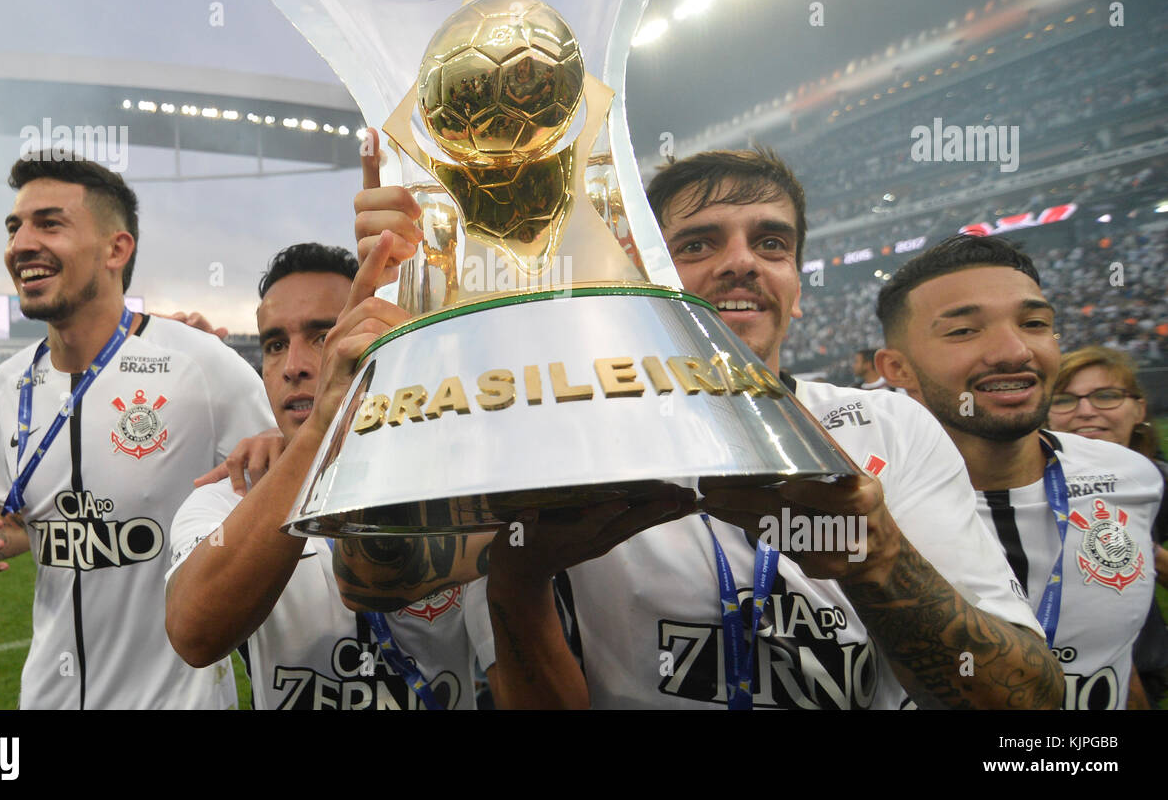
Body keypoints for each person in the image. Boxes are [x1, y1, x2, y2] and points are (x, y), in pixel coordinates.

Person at [352, 140, 1061, 709]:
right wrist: (423, 347)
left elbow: (1029, 702)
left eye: (772, 244)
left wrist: (879, 562)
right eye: (696, 245)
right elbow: (373, 579)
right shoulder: (559, 438)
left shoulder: (888, 428)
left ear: (798, 287)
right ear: (640, 279)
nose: (742, 262)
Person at [0, 152, 275, 709]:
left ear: (117, 249)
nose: (21, 243)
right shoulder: (9, 384)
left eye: (49, 223)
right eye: (14, 226)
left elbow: (290, 484)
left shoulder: (198, 364)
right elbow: (34, 522)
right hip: (46, 697)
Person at [164, 240, 496, 709]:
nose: (293, 367)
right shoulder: (228, 497)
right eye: (275, 345)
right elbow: (194, 634)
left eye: (323, 336)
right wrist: (320, 433)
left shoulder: (451, 488)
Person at [874, 236, 1163, 709]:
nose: (1013, 351)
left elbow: (1114, 655)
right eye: (964, 331)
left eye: (1034, 324)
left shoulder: (1130, 478)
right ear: (898, 368)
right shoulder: (865, 517)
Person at [1045, 345, 1168, 707]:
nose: (1086, 411)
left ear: (1139, 409)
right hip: (1040, 676)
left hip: (1139, 669)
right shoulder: (1019, 486)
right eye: (1065, 399)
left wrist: (1148, 552)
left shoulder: (1156, 482)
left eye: (1106, 396)